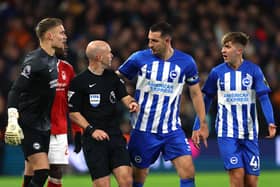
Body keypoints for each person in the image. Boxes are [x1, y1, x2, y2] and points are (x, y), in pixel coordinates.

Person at [117, 21, 209, 187]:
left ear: (167, 41)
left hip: (172, 130)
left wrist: (201, 123)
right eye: (149, 40)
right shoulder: (139, 58)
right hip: (143, 129)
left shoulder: (186, 62)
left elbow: (195, 93)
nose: (150, 44)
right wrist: (127, 99)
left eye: (154, 41)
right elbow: (115, 80)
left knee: (188, 171)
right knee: (138, 178)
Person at [193, 32, 277, 187]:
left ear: (239, 50)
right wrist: (198, 125)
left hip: (250, 133)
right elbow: (206, 100)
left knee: (251, 182)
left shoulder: (254, 70)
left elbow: (264, 98)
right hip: (227, 132)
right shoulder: (217, 73)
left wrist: (271, 121)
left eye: (227, 47)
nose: (223, 50)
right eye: (223, 47)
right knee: (237, 176)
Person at [5, 17, 67, 187]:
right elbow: (16, 90)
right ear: (49, 36)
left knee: (31, 171)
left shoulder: (54, 59)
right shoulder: (35, 62)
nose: (65, 36)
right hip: (29, 123)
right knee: (42, 171)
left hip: (44, 125)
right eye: (61, 32)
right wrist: (12, 119)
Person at [68, 40, 139, 187]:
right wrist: (92, 130)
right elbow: (73, 113)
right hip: (93, 141)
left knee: (126, 180)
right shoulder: (79, 82)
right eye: (108, 53)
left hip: (115, 137)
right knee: (103, 185)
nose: (112, 55)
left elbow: (125, 97)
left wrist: (132, 103)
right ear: (99, 57)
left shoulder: (113, 77)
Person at [21, 45, 83, 187]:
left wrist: (77, 130)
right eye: (62, 41)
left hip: (59, 129)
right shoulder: (34, 67)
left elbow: (72, 103)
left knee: (56, 173)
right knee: (35, 171)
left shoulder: (68, 69)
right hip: (36, 128)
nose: (66, 46)